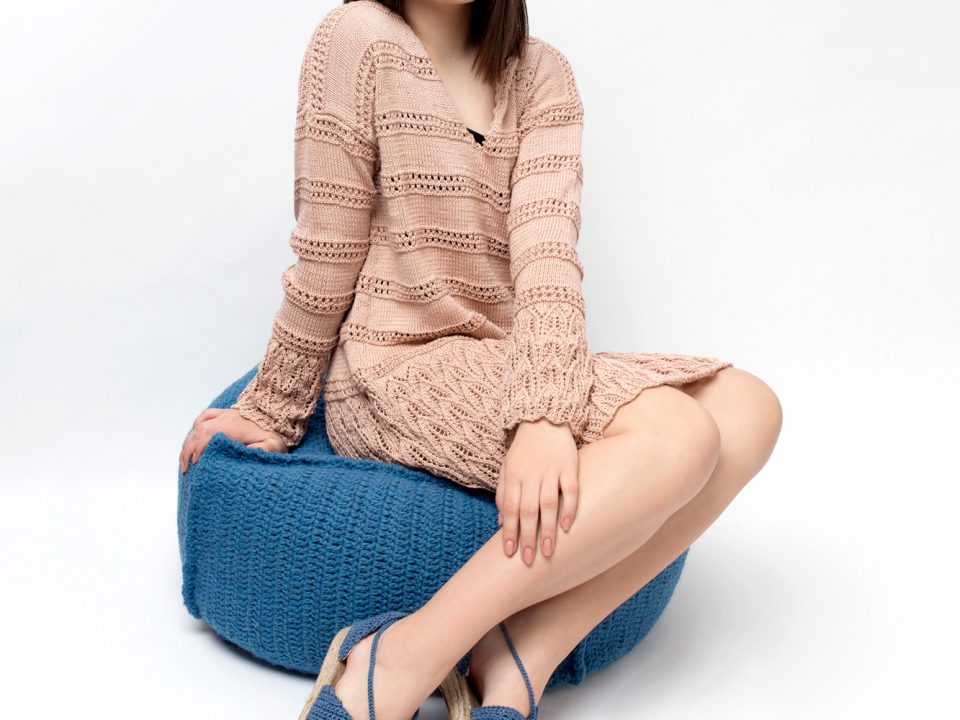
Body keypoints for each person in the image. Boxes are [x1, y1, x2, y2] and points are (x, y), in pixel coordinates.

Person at [180, 1, 783, 718]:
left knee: (749, 406)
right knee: (679, 434)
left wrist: (543, 415)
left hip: (500, 364)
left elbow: (548, 256)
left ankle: (525, 650)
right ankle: (400, 656)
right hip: (390, 367)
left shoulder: (542, 74)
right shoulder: (356, 37)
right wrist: (273, 407)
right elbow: (327, 251)